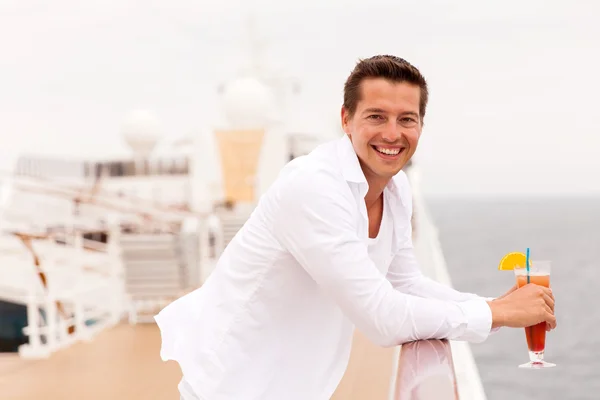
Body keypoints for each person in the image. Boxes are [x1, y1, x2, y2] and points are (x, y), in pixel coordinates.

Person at [155, 55, 556, 400]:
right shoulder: (314, 187)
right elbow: (382, 319)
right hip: (233, 390)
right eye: (376, 117)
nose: (392, 134)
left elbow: (404, 283)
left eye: (407, 119)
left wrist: (493, 304)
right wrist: (496, 313)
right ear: (346, 120)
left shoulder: (395, 189)